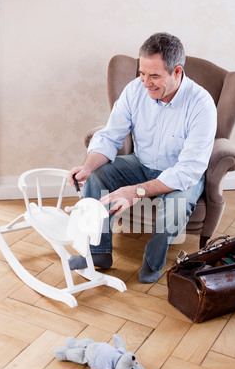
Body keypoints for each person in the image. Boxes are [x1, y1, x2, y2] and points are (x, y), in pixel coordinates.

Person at [68, 32, 217, 283]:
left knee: (175, 210)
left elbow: (187, 171)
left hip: (180, 174)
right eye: (142, 73)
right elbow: (110, 136)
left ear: (177, 71)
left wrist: (134, 192)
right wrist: (87, 167)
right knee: (96, 175)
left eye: (155, 76)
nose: (146, 83)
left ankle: (153, 261)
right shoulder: (135, 90)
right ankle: (98, 253)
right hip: (141, 163)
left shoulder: (201, 104)